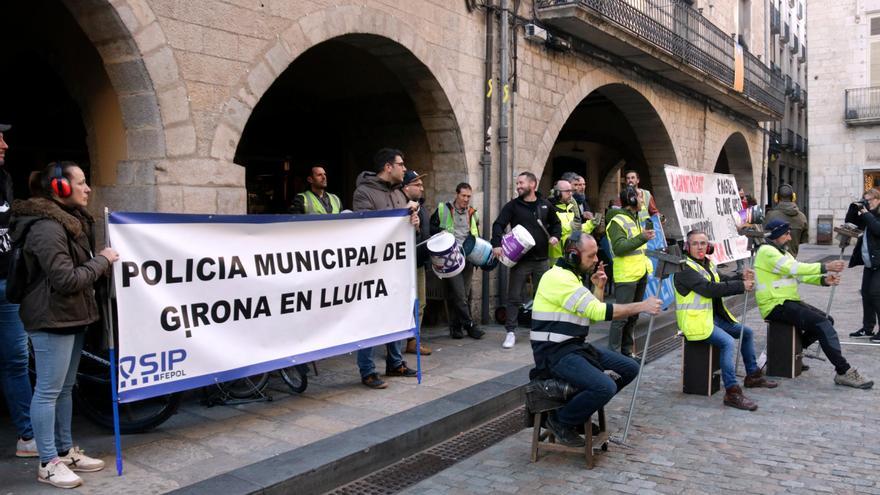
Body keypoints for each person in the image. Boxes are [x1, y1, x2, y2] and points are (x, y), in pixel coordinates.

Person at [9, 161, 120, 488]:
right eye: (82, 182)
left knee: (65, 388)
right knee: (47, 391)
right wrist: (103, 261)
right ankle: (47, 462)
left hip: (70, 315)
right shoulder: (46, 227)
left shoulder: (70, 223)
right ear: (59, 188)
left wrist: (97, 261)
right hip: (51, 318)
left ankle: (63, 449)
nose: (88, 189)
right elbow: (66, 279)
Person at [530, 231, 662, 446]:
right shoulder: (558, 278)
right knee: (604, 387)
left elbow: (589, 316)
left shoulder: (571, 277)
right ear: (573, 255)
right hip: (554, 353)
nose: (595, 261)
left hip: (574, 347)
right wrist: (642, 306)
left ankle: (577, 412)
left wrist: (598, 288)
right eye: (591, 256)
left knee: (630, 367)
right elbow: (598, 312)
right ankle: (561, 420)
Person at [755, 219, 873, 389]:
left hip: (787, 301)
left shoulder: (782, 253)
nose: (789, 237)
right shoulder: (766, 251)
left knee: (827, 320)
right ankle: (843, 371)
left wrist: (824, 280)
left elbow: (800, 276)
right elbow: (794, 268)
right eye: (786, 233)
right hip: (774, 305)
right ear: (776, 235)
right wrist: (825, 267)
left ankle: (789, 354)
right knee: (822, 324)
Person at [674, 230, 778, 411]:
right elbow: (709, 288)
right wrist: (741, 286)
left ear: (709, 246)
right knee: (728, 343)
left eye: (703, 243)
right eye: (696, 243)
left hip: (712, 318)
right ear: (687, 247)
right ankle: (732, 391)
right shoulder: (684, 270)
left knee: (747, 332)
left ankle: (752, 375)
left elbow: (721, 280)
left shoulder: (707, 264)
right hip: (695, 323)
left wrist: (741, 277)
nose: (700, 247)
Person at [352, 148, 420, 389]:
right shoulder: (364, 193)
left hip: (396, 266)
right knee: (370, 316)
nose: (405, 168)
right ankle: (367, 370)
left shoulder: (400, 195)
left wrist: (413, 221)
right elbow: (367, 226)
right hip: (373, 267)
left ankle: (395, 362)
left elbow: (405, 229)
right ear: (388, 167)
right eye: (401, 164)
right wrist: (398, 217)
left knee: (396, 313)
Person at [491, 171, 562, 349]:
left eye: (521, 183)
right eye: (517, 184)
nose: (518, 186)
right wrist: (496, 244)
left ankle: (540, 330)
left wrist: (556, 236)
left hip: (542, 259)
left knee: (543, 296)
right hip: (520, 260)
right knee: (514, 296)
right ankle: (511, 332)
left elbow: (556, 223)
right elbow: (498, 224)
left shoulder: (545, 205)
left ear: (533, 184)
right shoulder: (513, 206)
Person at [0, 123, 37, 458]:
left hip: (6, 287)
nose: (4, 143)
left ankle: (28, 437)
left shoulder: (5, 180)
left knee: (16, 359)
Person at [429, 182, 485, 340]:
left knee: (463, 295)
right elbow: (431, 230)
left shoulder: (473, 213)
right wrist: (440, 233)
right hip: (450, 258)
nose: (466, 199)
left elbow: (476, 234)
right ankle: (470, 325)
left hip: (468, 258)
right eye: (463, 195)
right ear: (456, 194)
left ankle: (456, 327)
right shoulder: (443, 209)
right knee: (460, 294)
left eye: (469, 196)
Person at [606, 186, 654, 357]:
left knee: (633, 315)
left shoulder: (634, 217)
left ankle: (627, 352)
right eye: (640, 197)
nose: (642, 201)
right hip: (626, 276)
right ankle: (612, 355)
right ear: (632, 200)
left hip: (639, 273)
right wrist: (642, 237)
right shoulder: (617, 221)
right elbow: (619, 248)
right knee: (620, 317)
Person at [401, 170, 432, 355]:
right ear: (406, 187)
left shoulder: (422, 207)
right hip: (404, 264)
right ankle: (397, 344)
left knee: (420, 303)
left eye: (421, 184)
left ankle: (414, 339)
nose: (422, 187)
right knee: (403, 304)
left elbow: (425, 231)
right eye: (417, 184)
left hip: (419, 261)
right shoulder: (400, 207)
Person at [846, 189, 880, 341]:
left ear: (878, 199)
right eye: (865, 200)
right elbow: (851, 223)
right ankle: (868, 328)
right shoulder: (868, 215)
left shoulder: (873, 216)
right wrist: (853, 209)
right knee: (866, 294)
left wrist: (865, 212)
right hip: (870, 262)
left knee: (875, 294)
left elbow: (877, 229)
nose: (868, 203)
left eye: (870, 200)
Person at [764, 183, 808, 259]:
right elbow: (803, 239)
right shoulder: (802, 217)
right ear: (793, 197)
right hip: (792, 260)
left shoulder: (770, 215)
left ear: (776, 197)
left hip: (774, 260)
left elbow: (765, 237)